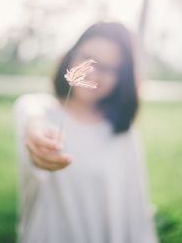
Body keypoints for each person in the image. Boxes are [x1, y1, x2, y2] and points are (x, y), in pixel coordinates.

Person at [14, 22, 158, 243]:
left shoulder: (122, 130)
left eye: (109, 68)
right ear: (72, 56)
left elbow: (135, 203)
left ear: (123, 77)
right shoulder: (40, 110)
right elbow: (32, 115)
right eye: (88, 59)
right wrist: (37, 134)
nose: (93, 74)